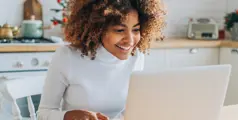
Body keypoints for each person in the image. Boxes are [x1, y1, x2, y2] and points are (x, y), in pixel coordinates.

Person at [37, 0, 166, 120]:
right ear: (97, 29)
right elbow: (43, 114)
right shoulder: (67, 57)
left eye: (136, 30)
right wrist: (69, 116)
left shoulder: (136, 57)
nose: (130, 41)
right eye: (120, 30)